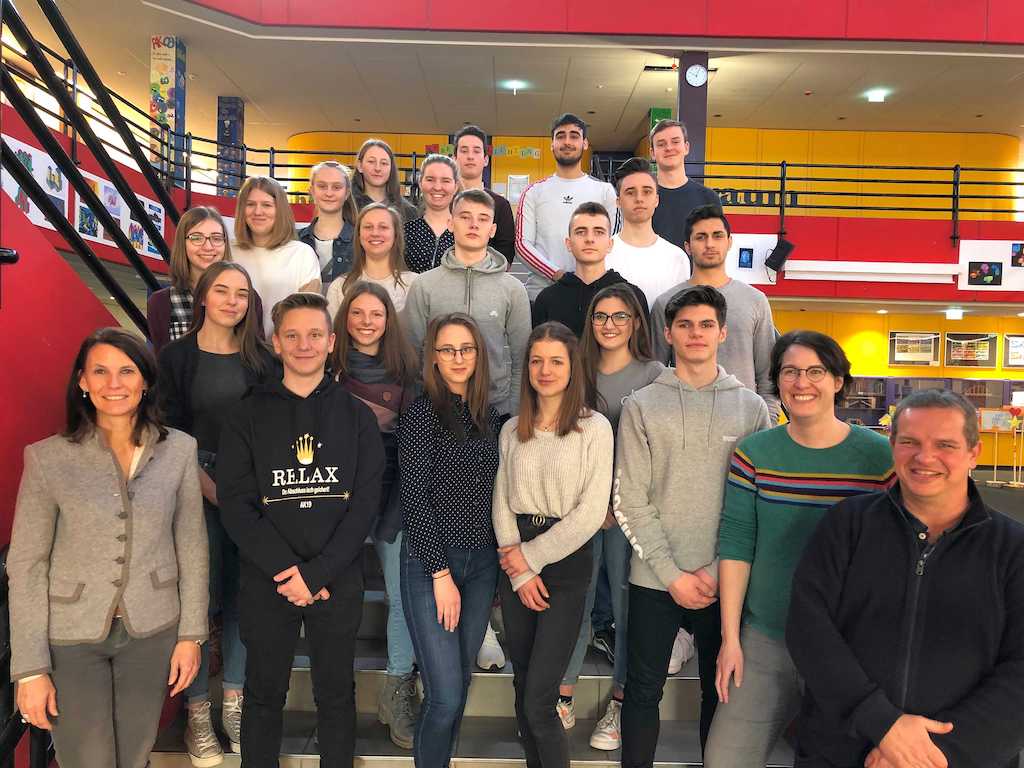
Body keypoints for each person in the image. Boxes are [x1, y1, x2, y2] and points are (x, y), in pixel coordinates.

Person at [786, 389, 1024, 768]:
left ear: (974, 453)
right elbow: (808, 629)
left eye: (945, 445)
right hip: (842, 751)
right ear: (892, 445)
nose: (925, 457)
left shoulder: (1012, 548)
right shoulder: (847, 525)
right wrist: (882, 725)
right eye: (910, 442)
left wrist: (930, 753)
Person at [9, 327, 208, 768]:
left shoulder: (179, 450)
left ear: (146, 381)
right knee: (88, 760)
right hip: (71, 634)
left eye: (127, 371)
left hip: (153, 629)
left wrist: (191, 635)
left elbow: (192, 545)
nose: (113, 383)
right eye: (100, 371)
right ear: (82, 380)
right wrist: (30, 667)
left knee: (135, 755)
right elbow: (27, 563)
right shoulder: (47, 458)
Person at [705, 331, 895, 768]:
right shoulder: (754, 453)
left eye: (815, 371)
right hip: (766, 639)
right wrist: (731, 640)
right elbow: (737, 543)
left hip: (849, 646)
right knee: (724, 759)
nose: (801, 382)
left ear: (838, 381)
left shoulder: (880, 459)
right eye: (790, 372)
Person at [217, 292, 385, 768]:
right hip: (267, 579)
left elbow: (364, 507)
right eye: (292, 335)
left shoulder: (358, 417)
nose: (304, 345)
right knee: (263, 693)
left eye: (314, 335)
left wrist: (316, 574)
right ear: (276, 343)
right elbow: (236, 504)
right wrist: (289, 572)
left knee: (337, 693)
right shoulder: (246, 414)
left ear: (332, 342)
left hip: (336, 578)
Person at [616, 286, 771, 765]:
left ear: (723, 333)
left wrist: (717, 568)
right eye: (685, 325)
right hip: (655, 577)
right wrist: (672, 575)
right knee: (642, 690)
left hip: (725, 578)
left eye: (706, 325)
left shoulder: (751, 408)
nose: (696, 334)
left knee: (717, 690)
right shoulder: (641, 405)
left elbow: (757, 503)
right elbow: (630, 499)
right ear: (668, 333)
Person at [156, 261, 279, 765]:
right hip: (193, 482)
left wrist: (246, 491)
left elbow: (273, 429)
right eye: (222, 291)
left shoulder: (262, 359)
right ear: (203, 297)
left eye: (242, 294)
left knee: (242, 597)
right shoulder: (176, 357)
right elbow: (167, 432)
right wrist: (210, 489)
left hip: (251, 485)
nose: (232, 301)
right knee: (199, 600)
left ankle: (234, 703)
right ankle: (197, 714)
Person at [493, 321, 614, 768]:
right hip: (515, 562)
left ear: (573, 367)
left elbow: (591, 513)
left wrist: (530, 559)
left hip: (564, 564)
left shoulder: (594, 428)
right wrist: (519, 569)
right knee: (522, 687)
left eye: (556, 362)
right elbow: (502, 500)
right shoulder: (512, 429)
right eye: (537, 361)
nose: (545, 371)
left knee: (541, 699)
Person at [556, 284, 663, 750]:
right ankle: (562, 693)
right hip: (579, 508)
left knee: (625, 606)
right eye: (601, 316)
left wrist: (618, 506)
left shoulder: (655, 375)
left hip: (629, 514)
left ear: (636, 322)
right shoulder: (576, 370)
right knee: (574, 601)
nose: (610, 325)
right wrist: (589, 504)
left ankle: (620, 700)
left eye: (620, 316)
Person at [399, 313, 502, 768]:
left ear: (478, 356)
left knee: (460, 684)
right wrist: (440, 574)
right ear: (434, 359)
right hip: (431, 564)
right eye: (447, 350)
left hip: (481, 565)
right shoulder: (421, 415)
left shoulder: (491, 417)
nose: (458, 358)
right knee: (444, 695)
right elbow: (414, 497)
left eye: (466, 349)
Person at [330, 282, 421, 749]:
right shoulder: (327, 367)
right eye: (358, 313)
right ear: (344, 317)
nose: (367, 322)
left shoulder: (408, 369)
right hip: (337, 490)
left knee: (402, 594)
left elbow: (416, 440)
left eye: (376, 314)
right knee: (335, 597)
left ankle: (397, 687)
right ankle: (333, 696)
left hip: (393, 487)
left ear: (389, 320)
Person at [403, 188, 531, 418]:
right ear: (451, 223)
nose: (474, 225)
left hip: (495, 409)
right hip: (436, 409)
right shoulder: (424, 285)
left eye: (483, 219)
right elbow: (412, 355)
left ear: (492, 230)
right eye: (465, 217)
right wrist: (419, 409)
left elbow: (522, 359)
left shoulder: (513, 289)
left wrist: (513, 413)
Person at [650, 205, 781, 421]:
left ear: (729, 242)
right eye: (701, 237)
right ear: (688, 246)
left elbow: (768, 377)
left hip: (743, 422)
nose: (709, 244)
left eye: (717, 236)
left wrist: (766, 425)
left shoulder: (755, 301)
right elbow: (656, 373)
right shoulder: (665, 303)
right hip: (684, 420)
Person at [515, 113, 619, 298]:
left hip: (593, 294)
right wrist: (558, 275)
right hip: (541, 294)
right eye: (561, 136)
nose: (567, 142)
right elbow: (522, 245)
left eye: (574, 136)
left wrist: (585, 278)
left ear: (585, 143)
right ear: (552, 144)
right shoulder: (533, 192)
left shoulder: (605, 191)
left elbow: (613, 240)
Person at [147, 205, 264, 354]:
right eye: (196, 238)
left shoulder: (248, 297)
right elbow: (163, 363)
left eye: (216, 238)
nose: (208, 246)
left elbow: (258, 356)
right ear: (183, 243)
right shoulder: (161, 303)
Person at [531, 202, 648, 338]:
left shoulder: (633, 296)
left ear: (610, 244)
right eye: (581, 232)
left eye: (599, 232)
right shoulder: (547, 299)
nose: (589, 239)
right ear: (568, 243)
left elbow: (642, 348)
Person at [232, 176, 321, 337]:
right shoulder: (228, 251)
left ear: (280, 210)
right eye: (250, 204)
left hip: (284, 348)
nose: (258, 212)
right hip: (235, 348)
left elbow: (308, 316)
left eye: (267, 205)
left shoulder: (302, 254)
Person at [606, 157, 691, 309]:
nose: (639, 199)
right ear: (618, 202)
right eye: (630, 192)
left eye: (647, 191)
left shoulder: (677, 258)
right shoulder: (603, 255)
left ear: (656, 199)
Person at [326, 203, 417, 318]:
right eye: (368, 227)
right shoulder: (339, 287)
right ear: (359, 235)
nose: (375, 233)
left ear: (395, 235)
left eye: (383, 227)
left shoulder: (415, 284)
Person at [647, 119, 720, 251]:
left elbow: (716, 246)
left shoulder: (708, 198)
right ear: (652, 153)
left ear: (686, 147)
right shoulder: (643, 198)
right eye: (661, 144)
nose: (669, 148)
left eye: (675, 142)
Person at [452, 125, 515, 265]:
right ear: (454, 158)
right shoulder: (445, 202)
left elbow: (506, 255)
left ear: (486, 160)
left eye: (476, 151)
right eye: (464, 151)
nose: (470, 156)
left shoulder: (500, 205)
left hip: (488, 276)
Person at [297, 160, 358, 291]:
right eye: (322, 186)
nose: (329, 193)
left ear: (347, 193)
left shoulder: (361, 240)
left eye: (336, 187)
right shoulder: (295, 240)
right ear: (312, 191)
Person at [404, 154, 458, 273]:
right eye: (430, 180)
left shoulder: (464, 231)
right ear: (420, 183)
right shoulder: (405, 231)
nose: (437, 187)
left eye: (445, 181)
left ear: (455, 186)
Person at [352, 138, 418, 222]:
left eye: (384, 163)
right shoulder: (347, 206)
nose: (378, 168)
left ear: (391, 168)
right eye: (371, 161)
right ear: (360, 166)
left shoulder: (408, 211)